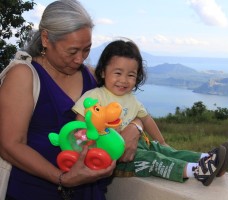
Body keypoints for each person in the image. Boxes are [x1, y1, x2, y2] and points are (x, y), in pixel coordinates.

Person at [0, 1, 142, 200]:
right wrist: (62, 178)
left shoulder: (90, 76)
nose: (80, 59)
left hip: (90, 192)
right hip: (35, 192)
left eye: (87, 49)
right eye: (73, 51)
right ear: (46, 39)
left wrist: (136, 127)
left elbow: (129, 107)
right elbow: (10, 146)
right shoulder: (24, 75)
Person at [72, 39, 228, 186]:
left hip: (138, 145)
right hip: (115, 158)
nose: (123, 80)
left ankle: (209, 160)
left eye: (131, 75)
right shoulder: (94, 97)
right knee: (155, 160)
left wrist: (162, 141)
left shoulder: (132, 100)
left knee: (165, 151)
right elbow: (79, 129)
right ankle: (198, 171)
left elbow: (147, 120)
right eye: (117, 73)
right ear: (102, 72)